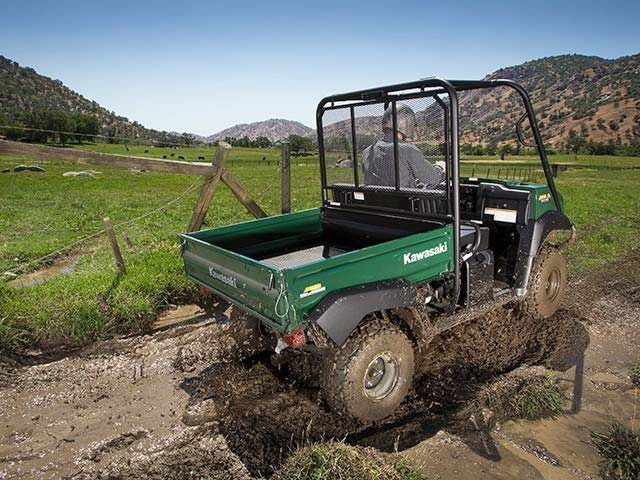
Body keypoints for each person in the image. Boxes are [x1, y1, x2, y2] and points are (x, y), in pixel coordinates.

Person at [362, 104, 445, 189]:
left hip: (374, 201)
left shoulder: (367, 151)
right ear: (406, 124)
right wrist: (440, 167)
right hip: (405, 201)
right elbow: (432, 179)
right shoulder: (407, 149)